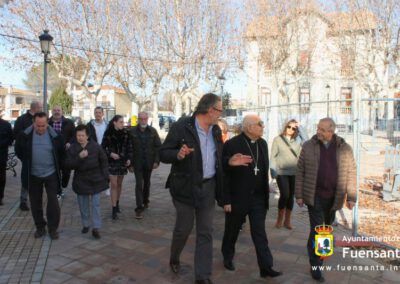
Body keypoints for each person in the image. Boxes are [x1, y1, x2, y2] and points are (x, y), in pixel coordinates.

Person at [160, 93, 224, 284]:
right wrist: (178, 154)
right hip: (185, 188)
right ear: (210, 110)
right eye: (219, 110)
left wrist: (229, 161)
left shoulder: (216, 131)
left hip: (208, 187)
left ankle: (203, 276)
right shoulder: (182, 126)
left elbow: (218, 157)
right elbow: (163, 153)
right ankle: (174, 256)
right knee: (183, 229)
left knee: (206, 232)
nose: (220, 114)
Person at [221, 114, 282, 279]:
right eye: (260, 124)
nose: (263, 126)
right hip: (237, 198)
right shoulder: (232, 144)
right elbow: (223, 174)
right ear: (249, 127)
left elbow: (261, 168)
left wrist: (265, 187)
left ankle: (266, 267)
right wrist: (226, 200)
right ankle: (227, 256)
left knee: (259, 233)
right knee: (232, 230)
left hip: (258, 199)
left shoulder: (262, 143)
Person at [295, 117, 356, 282]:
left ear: (331, 131)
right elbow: (300, 171)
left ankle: (316, 255)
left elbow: (351, 173)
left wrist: (351, 197)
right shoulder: (308, 146)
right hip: (314, 197)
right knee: (320, 231)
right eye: (318, 128)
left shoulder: (345, 148)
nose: (318, 132)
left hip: (334, 198)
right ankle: (317, 265)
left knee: (322, 230)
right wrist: (299, 195)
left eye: (322, 129)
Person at [15, 112, 64, 240]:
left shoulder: (55, 136)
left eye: (43, 126)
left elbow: (61, 154)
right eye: (38, 126)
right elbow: (19, 151)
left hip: (51, 173)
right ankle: (40, 227)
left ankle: (52, 229)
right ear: (33, 123)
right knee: (35, 203)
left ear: (47, 123)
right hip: (33, 175)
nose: (41, 128)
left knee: (53, 202)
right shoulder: (25, 136)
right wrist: (28, 162)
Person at [65, 125, 109, 239]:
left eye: (82, 135)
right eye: (78, 135)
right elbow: (68, 165)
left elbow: (104, 161)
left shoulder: (95, 146)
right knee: (83, 204)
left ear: (87, 136)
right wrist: (79, 157)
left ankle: (96, 227)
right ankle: (85, 224)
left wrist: (105, 176)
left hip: (96, 179)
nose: (80, 138)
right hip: (81, 180)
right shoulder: (73, 148)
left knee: (96, 204)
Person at [270, 119, 306, 229]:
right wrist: (273, 170)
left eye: (293, 128)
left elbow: (306, 140)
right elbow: (273, 156)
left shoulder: (298, 140)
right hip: (281, 172)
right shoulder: (278, 139)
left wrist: (301, 127)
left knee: (291, 196)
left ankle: (287, 220)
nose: (290, 129)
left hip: (295, 172)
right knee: (285, 194)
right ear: (285, 127)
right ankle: (279, 219)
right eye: (289, 127)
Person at [129, 111, 161, 219]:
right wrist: (130, 164)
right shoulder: (132, 131)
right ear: (138, 119)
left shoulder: (153, 131)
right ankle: (139, 208)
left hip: (149, 162)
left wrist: (156, 161)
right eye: (141, 119)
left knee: (147, 183)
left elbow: (158, 147)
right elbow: (129, 148)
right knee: (139, 184)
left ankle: (145, 200)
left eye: (144, 119)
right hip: (137, 163)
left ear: (148, 119)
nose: (143, 121)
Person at [13, 101, 43, 211]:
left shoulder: (42, 118)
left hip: (40, 153)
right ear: (35, 108)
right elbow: (17, 136)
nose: (42, 109)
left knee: (39, 177)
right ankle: (23, 201)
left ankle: (36, 200)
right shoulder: (21, 120)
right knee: (26, 178)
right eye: (41, 107)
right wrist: (22, 155)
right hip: (27, 155)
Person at [101, 115, 132, 220]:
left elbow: (129, 147)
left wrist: (129, 159)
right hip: (111, 162)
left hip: (122, 162)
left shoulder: (126, 133)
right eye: (120, 122)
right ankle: (113, 208)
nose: (122, 124)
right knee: (113, 184)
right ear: (114, 122)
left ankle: (117, 203)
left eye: (123, 122)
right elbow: (102, 148)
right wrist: (110, 154)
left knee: (119, 184)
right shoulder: (108, 133)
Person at [49, 105, 76, 189]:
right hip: (52, 152)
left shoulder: (69, 122)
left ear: (62, 111)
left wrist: (70, 143)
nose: (56, 112)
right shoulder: (47, 123)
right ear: (52, 111)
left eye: (58, 110)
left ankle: (63, 185)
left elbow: (75, 135)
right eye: (54, 110)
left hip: (66, 152)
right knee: (55, 171)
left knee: (66, 171)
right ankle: (58, 189)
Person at [86, 106, 109, 196]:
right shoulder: (89, 125)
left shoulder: (107, 125)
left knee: (105, 168)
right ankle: (95, 187)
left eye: (99, 112)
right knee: (94, 169)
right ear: (94, 114)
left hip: (105, 150)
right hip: (93, 150)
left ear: (102, 114)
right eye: (96, 112)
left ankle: (107, 186)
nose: (98, 114)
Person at [0, 113, 13, 205]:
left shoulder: (6, 125)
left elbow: (11, 139)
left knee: (1, 177)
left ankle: (0, 197)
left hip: (1, 156)